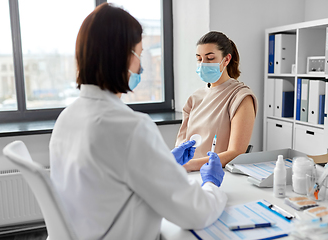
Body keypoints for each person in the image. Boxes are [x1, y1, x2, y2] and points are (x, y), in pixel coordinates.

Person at [49, 3, 227, 240]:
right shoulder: (129, 127)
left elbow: (108, 177)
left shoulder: (68, 117)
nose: (141, 66)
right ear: (122, 56)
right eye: (139, 54)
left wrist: (164, 163)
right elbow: (196, 212)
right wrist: (212, 184)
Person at [175, 31, 258, 172]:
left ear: (226, 60)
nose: (203, 64)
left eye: (210, 58)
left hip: (216, 174)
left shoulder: (241, 97)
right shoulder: (195, 98)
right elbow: (180, 145)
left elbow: (236, 153)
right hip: (186, 174)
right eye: (199, 59)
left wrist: (189, 166)